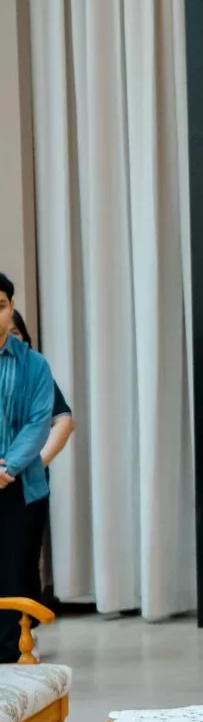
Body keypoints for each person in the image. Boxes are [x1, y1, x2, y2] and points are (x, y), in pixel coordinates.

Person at [0, 273, 56, 664]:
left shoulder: (34, 365)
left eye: (1, 306)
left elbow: (39, 423)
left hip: (18, 486)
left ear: (12, 308)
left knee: (12, 572)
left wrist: (8, 469)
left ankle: (8, 659)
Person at [7, 309, 75, 614]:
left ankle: (23, 630)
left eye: (16, 332)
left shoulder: (34, 372)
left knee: (21, 564)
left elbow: (63, 420)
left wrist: (35, 462)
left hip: (24, 485)